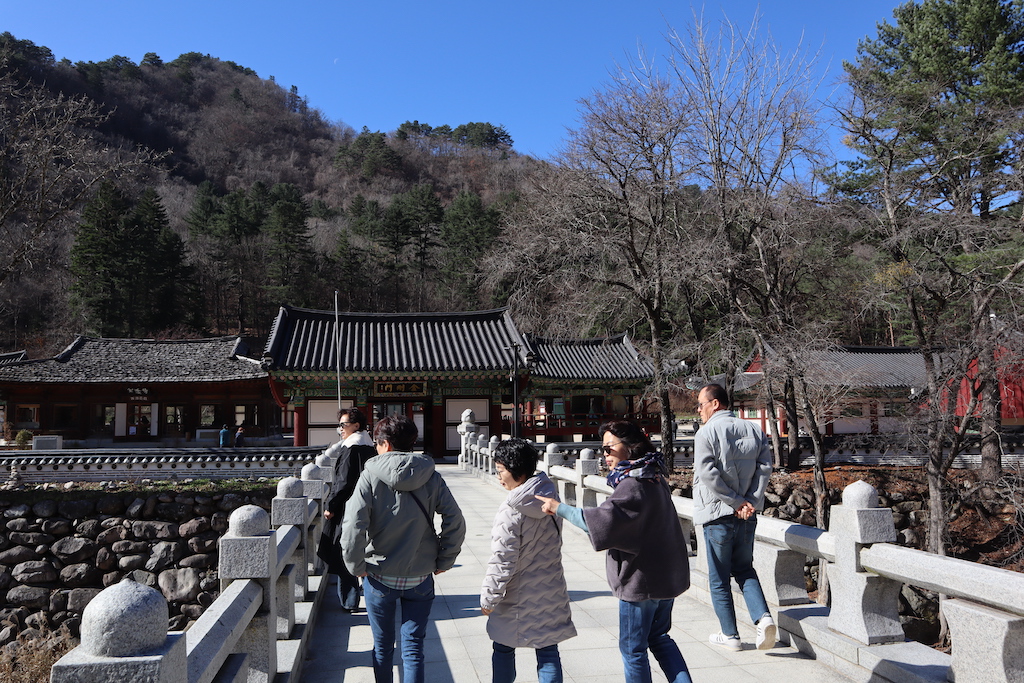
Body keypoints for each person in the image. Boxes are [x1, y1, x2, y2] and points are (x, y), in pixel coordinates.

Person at [537, 420, 691, 683]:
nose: (604, 455)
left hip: (641, 580)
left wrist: (558, 507)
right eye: (602, 449)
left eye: (609, 448)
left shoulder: (633, 483)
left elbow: (600, 522)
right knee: (659, 638)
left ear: (630, 446)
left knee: (633, 650)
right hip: (666, 575)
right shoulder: (653, 474)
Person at [341, 414, 466, 683]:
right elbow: (455, 520)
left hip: (379, 574)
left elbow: (353, 525)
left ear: (385, 444)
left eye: (377, 443)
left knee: (383, 646)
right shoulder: (431, 475)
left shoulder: (370, 476)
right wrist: (445, 559)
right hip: (419, 574)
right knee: (413, 647)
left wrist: (356, 566)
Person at [481, 438, 576, 683]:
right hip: (549, 587)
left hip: (516, 594)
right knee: (548, 650)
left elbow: (503, 559)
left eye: (501, 470)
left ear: (517, 470)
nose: (498, 476)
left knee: (503, 648)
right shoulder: (550, 497)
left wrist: (489, 598)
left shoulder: (511, 509)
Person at [693, 383, 776, 651]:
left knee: (719, 578)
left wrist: (736, 502)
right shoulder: (755, 430)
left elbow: (707, 473)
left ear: (715, 403)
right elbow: (764, 469)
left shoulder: (706, 432)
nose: (698, 410)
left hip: (718, 514)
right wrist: (750, 501)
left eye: (701, 404)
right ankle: (763, 619)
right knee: (744, 568)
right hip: (747, 514)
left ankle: (730, 635)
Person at [321, 407, 376, 610]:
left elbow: (343, 483)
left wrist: (331, 505)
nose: (340, 429)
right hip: (369, 506)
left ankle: (349, 600)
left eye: (343, 425)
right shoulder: (370, 447)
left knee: (345, 550)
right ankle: (371, 594)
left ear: (356, 426)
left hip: (346, 508)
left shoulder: (351, 449)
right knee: (366, 550)